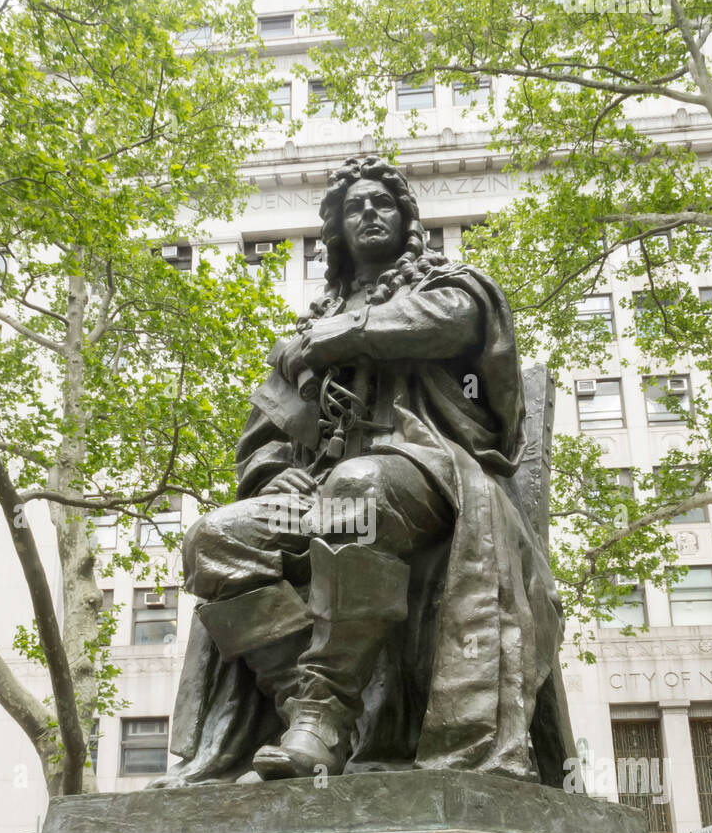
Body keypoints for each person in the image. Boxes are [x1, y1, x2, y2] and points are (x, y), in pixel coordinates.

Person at [156, 155, 564, 786]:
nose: (370, 213)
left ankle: (323, 711)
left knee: (357, 491)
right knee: (216, 540)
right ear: (338, 233)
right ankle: (309, 710)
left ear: (407, 220)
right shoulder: (308, 330)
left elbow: (459, 322)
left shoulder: (445, 285)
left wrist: (343, 336)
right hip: (319, 492)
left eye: (383, 203)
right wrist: (271, 477)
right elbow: (264, 437)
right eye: (355, 208)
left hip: (429, 471)